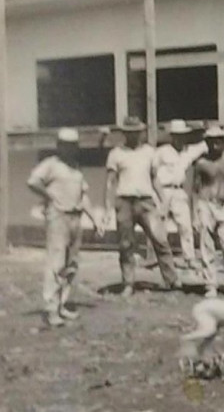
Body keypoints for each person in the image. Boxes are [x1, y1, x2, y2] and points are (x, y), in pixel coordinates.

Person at [28, 128, 106, 326]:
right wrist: (49, 196)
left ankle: (62, 304)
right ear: (59, 146)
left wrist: (95, 219)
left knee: (71, 263)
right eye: (66, 145)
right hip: (58, 216)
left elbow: (83, 196)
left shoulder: (75, 168)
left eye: (73, 146)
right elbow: (33, 182)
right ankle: (51, 308)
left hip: (75, 217)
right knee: (56, 262)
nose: (70, 149)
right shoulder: (51, 164)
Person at [105, 116, 181, 295]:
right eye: (129, 132)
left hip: (146, 202)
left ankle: (172, 280)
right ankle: (128, 283)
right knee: (125, 244)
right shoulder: (116, 153)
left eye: (136, 132)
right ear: (124, 134)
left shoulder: (149, 152)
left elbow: (154, 179)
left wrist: (163, 201)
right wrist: (108, 207)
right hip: (124, 202)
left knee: (160, 239)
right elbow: (110, 182)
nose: (133, 135)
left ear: (141, 133)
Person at [192, 126, 224, 299]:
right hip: (206, 204)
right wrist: (195, 214)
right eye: (211, 140)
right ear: (206, 142)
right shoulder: (201, 163)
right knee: (206, 246)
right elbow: (195, 190)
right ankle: (210, 284)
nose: (215, 144)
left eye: (219, 140)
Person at [152, 119, 207, 269]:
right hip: (162, 191)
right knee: (160, 226)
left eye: (182, 136)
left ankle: (189, 258)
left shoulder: (188, 152)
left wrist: (203, 127)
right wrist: (157, 193)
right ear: (172, 136)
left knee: (185, 226)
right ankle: (160, 259)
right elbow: (152, 171)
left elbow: (205, 144)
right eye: (177, 136)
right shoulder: (162, 151)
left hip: (179, 191)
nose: (180, 139)